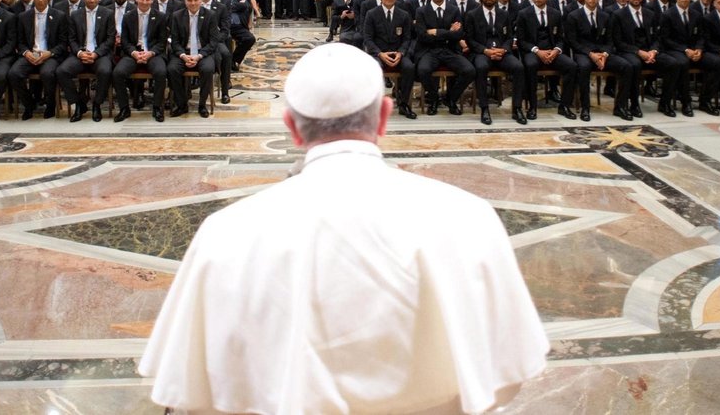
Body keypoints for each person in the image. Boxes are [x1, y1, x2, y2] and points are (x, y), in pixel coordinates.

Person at [138, 43, 549, 413]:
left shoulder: (224, 233)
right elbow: (507, 374)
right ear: (384, 117)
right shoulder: (469, 217)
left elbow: (194, 395)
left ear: (292, 127)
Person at [465, 0, 527, 125]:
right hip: (482, 52)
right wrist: (485, 51)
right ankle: (484, 108)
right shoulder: (472, 15)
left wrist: (504, 50)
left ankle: (517, 108)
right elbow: (470, 39)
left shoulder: (504, 14)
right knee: (480, 68)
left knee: (518, 67)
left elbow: (510, 37)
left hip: (501, 51)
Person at [56, 0, 115, 122]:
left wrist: (95, 54)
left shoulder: (107, 13)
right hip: (80, 55)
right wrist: (80, 53)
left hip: (99, 54)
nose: (92, 0)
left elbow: (110, 39)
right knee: (61, 71)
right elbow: (72, 39)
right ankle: (78, 104)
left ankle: (97, 105)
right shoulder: (75, 15)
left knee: (105, 71)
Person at [113, 0, 169, 123]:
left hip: (152, 53)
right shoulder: (127, 17)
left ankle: (157, 107)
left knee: (161, 72)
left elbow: (162, 42)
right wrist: (134, 53)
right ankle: (124, 108)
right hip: (133, 53)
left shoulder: (160, 17)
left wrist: (150, 53)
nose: (144, 2)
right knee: (117, 73)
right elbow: (125, 41)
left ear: (152, 0)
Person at [363, 0, 417, 119]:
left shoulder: (404, 15)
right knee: (374, 68)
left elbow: (407, 38)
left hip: (397, 53)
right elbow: (368, 39)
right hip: (378, 53)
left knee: (409, 67)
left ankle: (404, 104)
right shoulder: (371, 14)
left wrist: (401, 53)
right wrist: (380, 54)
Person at [167, 0, 220, 118]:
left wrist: (198, 56)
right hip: (183, 52)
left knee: (208, 69)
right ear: (185, 1)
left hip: (203, 52)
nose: (193, 3)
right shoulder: (177, 16)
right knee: (172, 69)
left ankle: (202, 105)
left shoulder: (210, 16)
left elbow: (213, 42)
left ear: (201, 0)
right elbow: (175, 42)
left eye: (196, 0)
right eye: (189, 0)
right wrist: (184, 56)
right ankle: (181, 104)